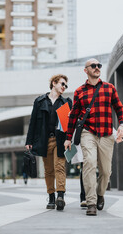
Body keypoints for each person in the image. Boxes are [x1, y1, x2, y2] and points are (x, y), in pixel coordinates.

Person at [64, 58, 123, 216]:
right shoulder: (79, 91)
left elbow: (119, 108)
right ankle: (91, 202)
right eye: (93, 66)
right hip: (87, 133)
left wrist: (122, 125)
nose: (97, 67)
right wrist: (68, 138)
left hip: (106, 134)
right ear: (86, 70)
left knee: (106, 171)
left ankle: (100, 194)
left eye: (99, 65)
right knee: (89, 164)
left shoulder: (109, 88)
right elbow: (73, 116)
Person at [25, 74, 72, 211]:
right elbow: (33, 122)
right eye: (62, 84)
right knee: (49, 170)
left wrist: (69, 139)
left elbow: (70, 125)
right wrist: (29, 141)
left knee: (60, 167)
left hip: (60, 140)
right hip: (45, 140)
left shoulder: (66, 103)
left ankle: (60, 196)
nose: (64, 87)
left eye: (66, 85)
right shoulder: (39, 101)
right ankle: (51, 196)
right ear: (54, 83)